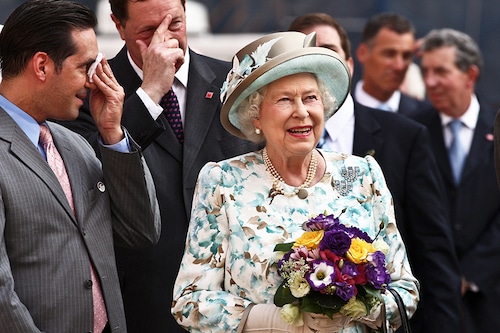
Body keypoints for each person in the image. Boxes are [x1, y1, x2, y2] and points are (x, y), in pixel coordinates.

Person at [171, 31, 419, 332]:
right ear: (255, 117)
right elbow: (190, 302)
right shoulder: (223, 182)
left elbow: (405, 291)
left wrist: (355, 307)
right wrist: (276, 321)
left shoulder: (361, 174)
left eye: (310, 98)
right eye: (285, 100)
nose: (302, 112)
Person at [56, 0, 259, 331]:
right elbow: (89, 172)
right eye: (148, 31)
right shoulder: (92, 89)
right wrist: (150, 93)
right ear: (118, 26)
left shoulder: (234, 83)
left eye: (175, 24)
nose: (166, 40)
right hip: (140, 297)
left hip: (231, 295)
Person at [288, 13, 461, 333]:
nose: (314, 60)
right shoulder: (261, 152)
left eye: (326, 49)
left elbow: (432, 251)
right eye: (301, 52)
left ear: (350, 65)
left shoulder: (406, 138)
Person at [0, 1, 161, 332]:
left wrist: (114, 134)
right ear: (42, 65)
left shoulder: (74, 146)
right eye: (85, 67)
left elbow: (141, 231)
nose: (93, 82)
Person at [408, 28, 500, 333]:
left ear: (469, 75)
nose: (430, 81)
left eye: (441, 71)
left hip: (488, 295)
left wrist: (470, 273)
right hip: (430, 300)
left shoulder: (496, 127)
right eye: (426, 71)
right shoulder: (412, 130)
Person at [354, 13, 428, 114]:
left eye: (406, 56)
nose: (399, 66)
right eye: (389, 54)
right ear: (362, 53)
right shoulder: (335, 113)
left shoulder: (426, 118)